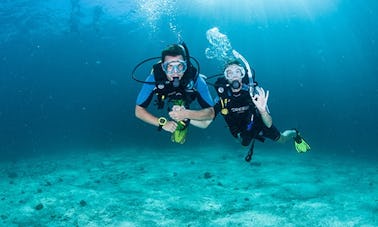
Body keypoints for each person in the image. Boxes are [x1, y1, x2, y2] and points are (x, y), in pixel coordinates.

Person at [210, 50, 310, 161]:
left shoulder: (253, 92)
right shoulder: (222, 97)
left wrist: (262, 111)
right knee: (243, 143)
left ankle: (295, 133)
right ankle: (242, 137)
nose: (234, 76)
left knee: (281, 139)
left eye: (238, 72)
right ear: (226, 77)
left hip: (259, 123)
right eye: (230, 73)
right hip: (239, 127)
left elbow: (268, 123)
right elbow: (209, 115)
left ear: (243, 74)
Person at [135, 43, 215, 144]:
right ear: (163, 67)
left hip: (186, 93)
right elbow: (138, 111)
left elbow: (211, 113)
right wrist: (162, 123)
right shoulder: (154, 78)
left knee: (205, 123)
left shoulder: (195, 79)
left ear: (185, 66)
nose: (175, 72)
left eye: (180, 66)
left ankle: (184, 116)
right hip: (166, 94)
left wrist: (186, 114)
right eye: (169, 67)